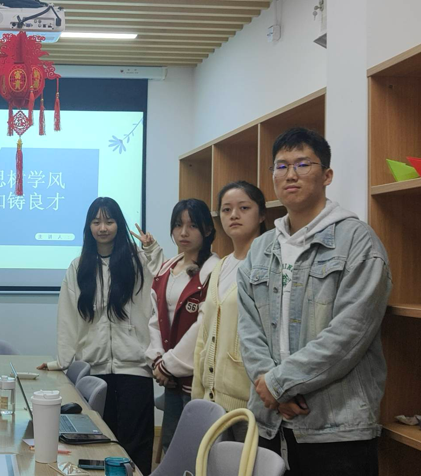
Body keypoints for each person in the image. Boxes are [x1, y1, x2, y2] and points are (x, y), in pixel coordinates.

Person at [238, 128, 391, 476]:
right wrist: (270, 386)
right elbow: (248, 330)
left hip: (336, 428)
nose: (290, 174)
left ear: (327, 175)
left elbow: (349, 334)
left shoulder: (358, 243)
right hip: (270, 422)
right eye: (281, 166)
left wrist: (278, 384)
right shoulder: (261, 248)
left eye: (303, 164)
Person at [38, 197, 163, 475]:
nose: (103, 228)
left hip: (135, 369)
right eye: (96, 222)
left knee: (136, 445)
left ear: (119, 224)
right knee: (97, 445)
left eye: (109, 221)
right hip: (94, 372)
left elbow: (161, 283)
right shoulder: (79, 267)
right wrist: (63, 362)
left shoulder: (137, 261)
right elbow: (68, 319)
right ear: (89, 227)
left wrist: (151, 249)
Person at [191, 182, 266, 441]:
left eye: (243, 208)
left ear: (261, 215)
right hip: (211, 400)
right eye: (226, 209)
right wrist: (198, 394)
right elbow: (204, 335)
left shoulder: (266, 266)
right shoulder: (220, 267)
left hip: (249, 404)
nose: (234, 215)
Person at [146, 198, 219, 453]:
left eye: (192, 225)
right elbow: (156, 318)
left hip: (195, 376)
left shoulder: (214, 270)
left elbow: (203, 327)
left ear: (207, 229)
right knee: (170, 446)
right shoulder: (167, 268)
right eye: (178, 225)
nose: (183, 232)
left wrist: (169, 365)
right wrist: (158, 359)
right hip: (169, 375)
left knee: (195, 450)